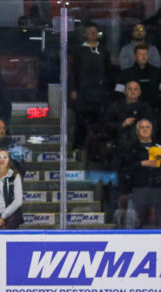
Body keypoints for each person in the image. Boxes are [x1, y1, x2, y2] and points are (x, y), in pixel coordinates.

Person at [70, 22, 112, 150]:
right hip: (84, 91)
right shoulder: (79, 51)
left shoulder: (104, 50)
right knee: (81, 121)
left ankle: (98, 149)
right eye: (90, 32)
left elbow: (109, 70)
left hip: (100, 91)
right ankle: (78, 147)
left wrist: (110, 88)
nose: (93, 34)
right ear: (85, 34)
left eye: (95, 32)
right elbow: (73, 72)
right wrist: (73, 89)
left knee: (101, 120)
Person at [117, 119, 161, 227]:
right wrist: (141, 164)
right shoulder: (130, 149)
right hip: (137, 191)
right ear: (137, 131)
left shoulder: (159, 148)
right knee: (136, 223)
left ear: (152, 130)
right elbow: (123, 169)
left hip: (158, 190)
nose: (145, 129)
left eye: (147, 127)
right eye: (142, 127)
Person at [120, 44, 160, 110]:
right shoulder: (126, 73)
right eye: (141, 54)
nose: (143, 57)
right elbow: (119, 93)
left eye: (145, 54)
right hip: (131, 109)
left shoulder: (157, 72)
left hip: (154, 109)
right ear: (135, 56)